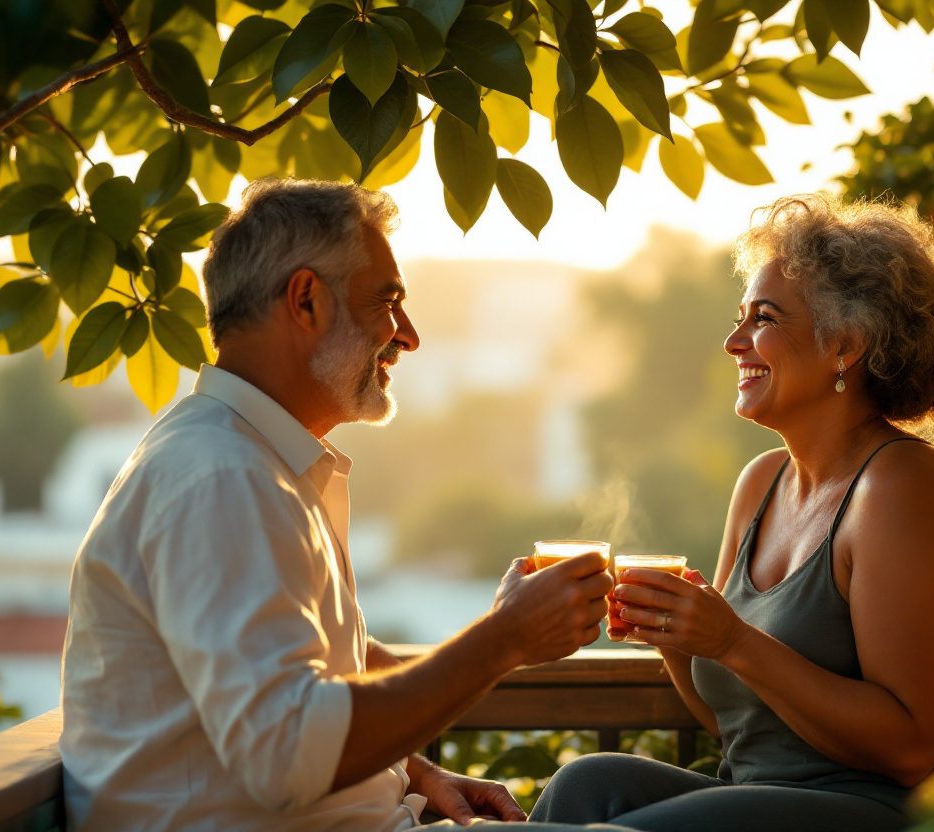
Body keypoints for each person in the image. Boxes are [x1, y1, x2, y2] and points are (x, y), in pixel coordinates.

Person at [59, 179, 619, 831]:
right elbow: (286, 754)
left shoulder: (248, 460)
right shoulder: (221, 477)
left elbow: (325, 664)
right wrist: (505, 639)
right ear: (306, 301)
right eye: (388, 303)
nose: (407, 336)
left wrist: (417, 771)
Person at [530, 194, 934, 832]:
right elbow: (733, 722)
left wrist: (732, 638)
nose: (732, 341)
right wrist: (676, 638)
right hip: (772, 798)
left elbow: (909, 749)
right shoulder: (761, 485)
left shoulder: (902, 489)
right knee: (587, 784)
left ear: (846, 346)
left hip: (905, 814)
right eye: (740, 316)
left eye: (763, 319)